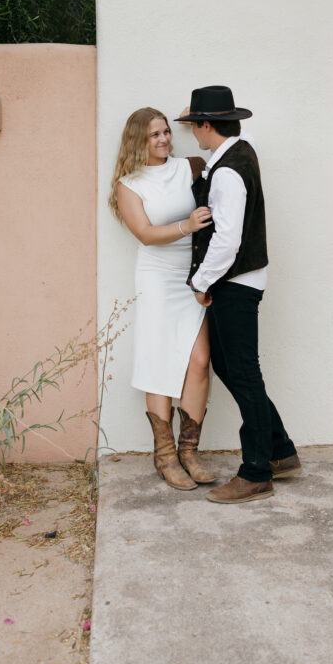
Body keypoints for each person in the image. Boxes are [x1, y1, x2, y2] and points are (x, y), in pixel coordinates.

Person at [175, 85, 302, 504]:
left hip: (234, 282)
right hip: (240, 279)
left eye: (195, 126)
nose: (194, 134)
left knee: (243, 372)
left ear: (207, 125)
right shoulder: (238, 153)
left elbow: (227, 240)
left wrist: (202, 281)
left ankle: (255, 472)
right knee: (232, 368)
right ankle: (280, 451)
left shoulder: (228, 170)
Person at [109, 107, 217, 491]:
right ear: (139, 139)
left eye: (167, 132)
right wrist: (185, 225)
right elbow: (144, 233)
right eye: (154, 135)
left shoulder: (189, 167)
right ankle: (165, 456)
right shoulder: (129, 184)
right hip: (156, 278)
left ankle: (190, 450)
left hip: (191, 276)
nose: (163, 139)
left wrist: (200, 110)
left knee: (199, 361)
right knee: (158, 361)